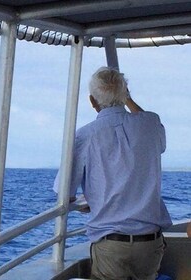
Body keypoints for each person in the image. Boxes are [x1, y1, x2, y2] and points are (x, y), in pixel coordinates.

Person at [53, 67, 172, 280]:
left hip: (112, 243)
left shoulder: (85, 136)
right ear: (125, 93)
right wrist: (127, 98)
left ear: (92, 101)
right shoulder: (151, 123)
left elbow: (65, 192)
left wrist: (91, 200)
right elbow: (150, 128)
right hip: (150, 243)